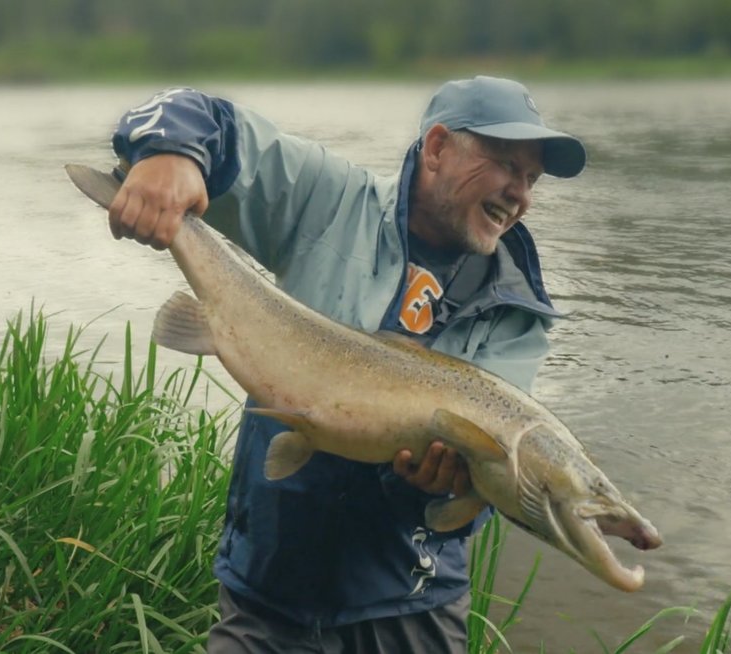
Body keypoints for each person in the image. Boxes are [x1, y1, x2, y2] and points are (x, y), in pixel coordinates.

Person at [109, 75, 586, 653]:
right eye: (508, 164)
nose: (521, 194)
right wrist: (171, 154)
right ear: (436, 148)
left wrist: (438, 491)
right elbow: (196, 114)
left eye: (531, 179)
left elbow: (487, 496)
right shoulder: (331, 202)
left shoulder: (518, 314)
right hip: (268, 590)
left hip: (412, 610)